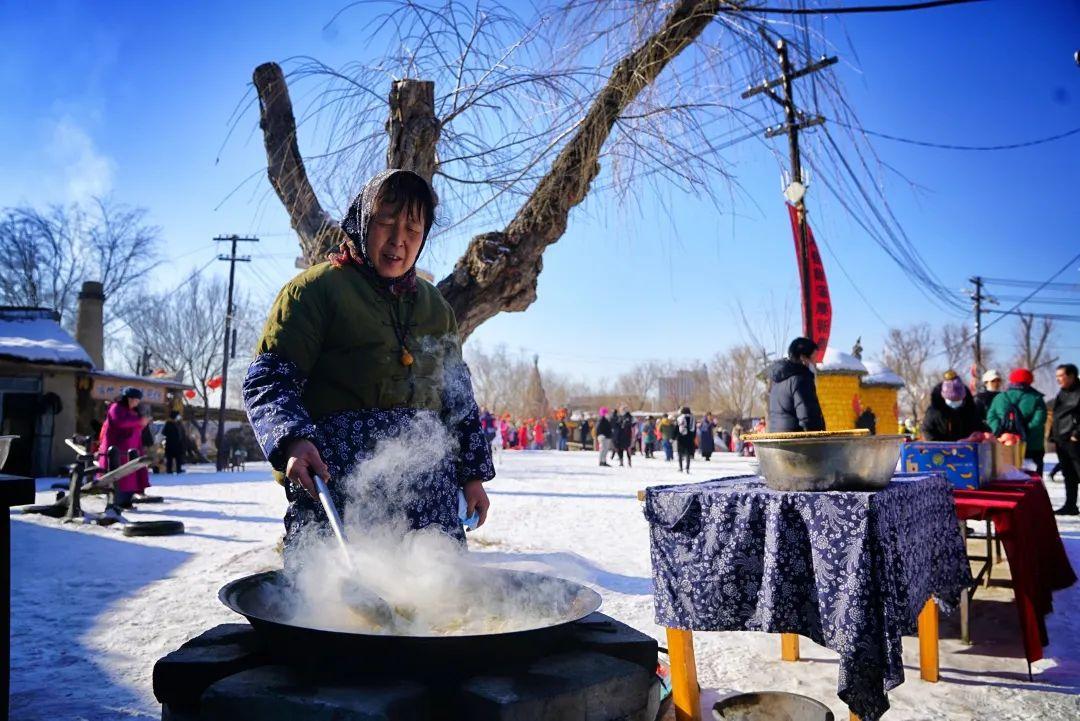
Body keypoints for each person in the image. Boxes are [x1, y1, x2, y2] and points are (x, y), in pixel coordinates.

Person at [242, 169, 494, 560]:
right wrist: (292, 440)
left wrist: (472, 475)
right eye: (386, 222)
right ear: (362, 221)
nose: (399, 240)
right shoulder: (314, 291)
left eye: (413, 228)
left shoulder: (436, 308)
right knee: (336, 608)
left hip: (429, 497)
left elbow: (457, 400)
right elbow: (270, 380)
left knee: (432, 600)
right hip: (339, 485)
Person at [97, 387, 152, 509]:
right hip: (118, 448)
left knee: (131, 476)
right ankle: (118, 501)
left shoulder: (134, 412)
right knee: (119, 476)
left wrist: (141, 423)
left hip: (132, 448)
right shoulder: (116, 408)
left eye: (137, 400)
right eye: (132, 399)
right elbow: (121, 422)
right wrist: (139, 421)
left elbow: (137, 428)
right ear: (126, 398)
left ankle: (127, 500)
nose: (134, 402)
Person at [987, 368, 1048, 475]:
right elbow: (1039, 420)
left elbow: (991, 417)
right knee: (1032, 479)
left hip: (1005, 445)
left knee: (1005, 477)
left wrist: (1001, 432)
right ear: (1029, 381)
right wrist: (1023, 432)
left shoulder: (999, 397)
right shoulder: (1036, 398)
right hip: (1031, 446)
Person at [768, 337, 826, 432]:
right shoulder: (801, 380)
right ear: (803, 358)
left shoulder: (777, 381)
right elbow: (808, 418)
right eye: (814, 358)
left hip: (778, 439)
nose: (816, 363)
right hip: (798, 443)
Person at [1050, 363, 1080, 515]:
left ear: (1072, 376)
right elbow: (1057, 415)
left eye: (1061, 376)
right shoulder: (1061, 393)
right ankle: (1070, 505)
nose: (1058, 379)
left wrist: (1077, 434)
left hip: (1075, 439)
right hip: (1061, 438)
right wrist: (1052, 435)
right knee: (1068, 474)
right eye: (1057, 377)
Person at [921, 370, 983, 441]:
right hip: (940, 449)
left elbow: (980, 427)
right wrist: (937, 445)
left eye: (958, 399)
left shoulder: (971, 410)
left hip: (966, 448)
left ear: (963, 397)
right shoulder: (934, 411)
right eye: (951, 400)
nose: (955, 402)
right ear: (944, 397)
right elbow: (927, 430)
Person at [676, 406, 695, 473]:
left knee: (680, 454)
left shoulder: (679, 418)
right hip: (689, 438)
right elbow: (694, 430)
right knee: (688, 454)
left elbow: (676, 429)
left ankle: (681, 468)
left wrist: (674, 437)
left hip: (681, 438)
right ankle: (687, 468)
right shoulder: (692, 419)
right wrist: (693, 437)